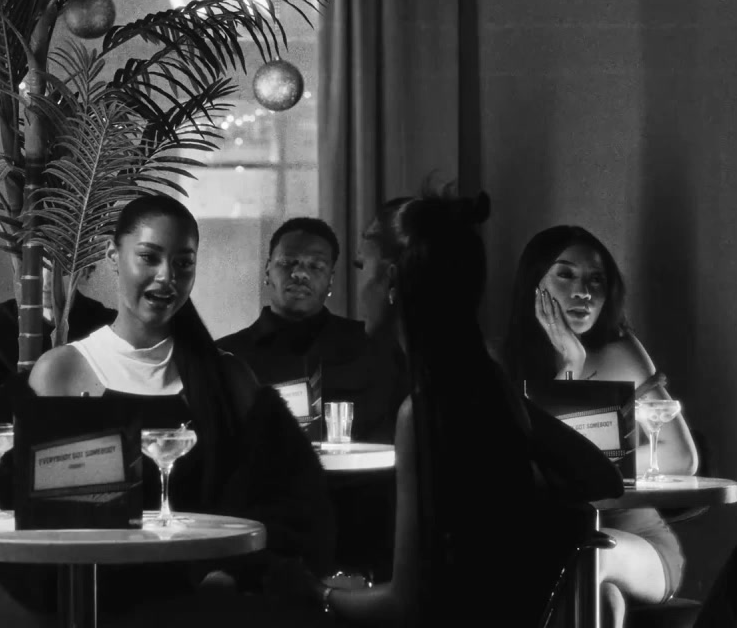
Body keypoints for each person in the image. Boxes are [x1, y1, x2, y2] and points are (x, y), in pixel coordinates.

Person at [265, 189, 622, 626]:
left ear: (392, 281)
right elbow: (602, 477)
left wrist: (317, 592)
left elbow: (407, 607)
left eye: (361, 267)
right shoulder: (489, 385)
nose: (358, 288)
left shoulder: (424, 412)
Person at [27, 194, 335, 620]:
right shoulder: (61, 372)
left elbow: (294, 503)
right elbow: (37, 526)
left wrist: (232, 576)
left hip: (216, 609)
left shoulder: (228, 377)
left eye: (183, 263)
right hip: (96, 604)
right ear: (113, 255)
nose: (166, 277)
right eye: (149, 257)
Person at [502, 225, 700, 628]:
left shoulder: (620, 350)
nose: (583, 292)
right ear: (534, 284)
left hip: (637, 542)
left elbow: (682, 457)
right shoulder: (503, 361)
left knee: (586, 553)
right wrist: (570, 366)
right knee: (602, 602)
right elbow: (530, 469)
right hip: (546, 540)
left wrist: (592, 470)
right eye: (565, 275)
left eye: (596, 280)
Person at [217, 217, 405, 444]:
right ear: (267, 270)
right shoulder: (226, 357)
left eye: (315, 266)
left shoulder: (370, 346)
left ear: (331, 280)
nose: (300, 273)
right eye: (287, 262)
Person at [0, 263, 116, 389]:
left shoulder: (109, 329)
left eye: (61, 269)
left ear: (83, 271)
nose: (46, 282)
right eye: (36, 266)